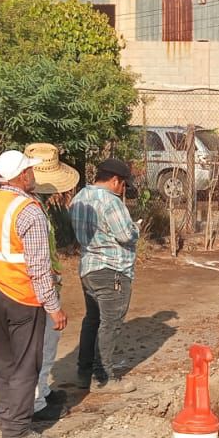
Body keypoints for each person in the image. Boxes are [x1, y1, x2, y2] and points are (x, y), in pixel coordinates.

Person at [0, 149, 67, 438]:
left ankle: (7, 414)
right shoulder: (29, 210)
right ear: (22, 176)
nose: (33, 175)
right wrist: (53, 307)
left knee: (4, 360)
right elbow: (38, 265)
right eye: (30, 171)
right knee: (25, 364)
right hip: (23, 295)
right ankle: (17, 431)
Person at [70, 158, 141, 394]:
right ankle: (103, 376)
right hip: (113, 270)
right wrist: (136, 228)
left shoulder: (79, 198)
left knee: (92, 320)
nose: (123, 190)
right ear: (114, 180)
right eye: (123, 185)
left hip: (89, 267)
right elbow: (125, 235)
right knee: (110, 323)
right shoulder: (111, 203)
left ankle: (84, 372)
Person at [25, 142, 81, 423]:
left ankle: (43, 392)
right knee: (39, 346)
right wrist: (50, 300)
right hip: (36, 291)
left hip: (44, 286)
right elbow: (36, 262)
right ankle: (35, 403)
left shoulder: (38, 206)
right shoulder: (30, 210)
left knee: (48, 344)